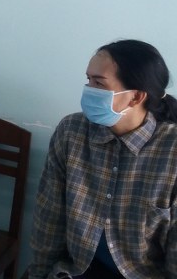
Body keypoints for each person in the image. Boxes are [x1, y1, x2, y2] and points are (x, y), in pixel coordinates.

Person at [30, 40, 177, 279]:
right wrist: (39, 274)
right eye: (88, 80)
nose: (88, 89)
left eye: (99, 83)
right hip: (76, 271)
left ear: (135, 97)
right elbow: (49, 219)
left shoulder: (171, 151)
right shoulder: (71, 132)